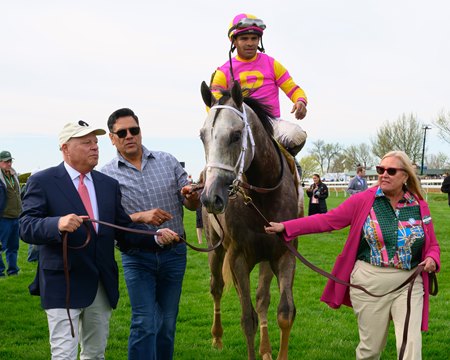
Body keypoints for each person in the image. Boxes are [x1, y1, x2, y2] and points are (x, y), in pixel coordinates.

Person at [19, 121, 179, 360]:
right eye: (86, 143)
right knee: (64, 354)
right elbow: (26, 226)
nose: (95, 147)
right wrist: (57, 224)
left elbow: (123, 229)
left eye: (96, 142)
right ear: (65, 148)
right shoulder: (42, 181)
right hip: (63, 283)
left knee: (95, 354)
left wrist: (154, 238)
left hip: (100, 284)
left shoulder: (107, 184)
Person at [265, 150, 440, 359]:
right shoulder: (364, 200)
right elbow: (327, 220)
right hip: (369, 281)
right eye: (380, 169)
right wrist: (286, 226)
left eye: (391, 171)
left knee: (410, 346)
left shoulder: (419, 205)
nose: (384, 174)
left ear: (405, 176)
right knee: (371, 349)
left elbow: (432, 245)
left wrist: (432, 258)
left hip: (410, 283)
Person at [101, 108, 200, 360]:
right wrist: (141, 216)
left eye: (134, 130)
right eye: (121, 133)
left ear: (140, 131)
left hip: (174, 253)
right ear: (112, 138)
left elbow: (192, 205)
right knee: (144, 322)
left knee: (167, 323)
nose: (129, 136)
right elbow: (107, 221)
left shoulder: (168, 161)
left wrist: (191, 196)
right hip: (137, 256)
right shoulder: (106, 175)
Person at [210, 13, 308, 159]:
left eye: (254, 38)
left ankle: (289, 163)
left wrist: (300, 101)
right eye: (244, 38)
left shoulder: (272, 64)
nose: (250, 43)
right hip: (239, 126)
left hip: (271, 124)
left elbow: (293, 88)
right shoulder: (223, 72)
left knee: (297, 135)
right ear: (234, 41)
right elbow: (213, 105)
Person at [0, 150, 22, 277]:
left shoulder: (13, 175)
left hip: (15, 216)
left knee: (13, 246)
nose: (9, 163)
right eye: (6, 161)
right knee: (1, 247)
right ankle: (0, 272)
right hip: (3, 217)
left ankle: (13, 270)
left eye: (10, 161)